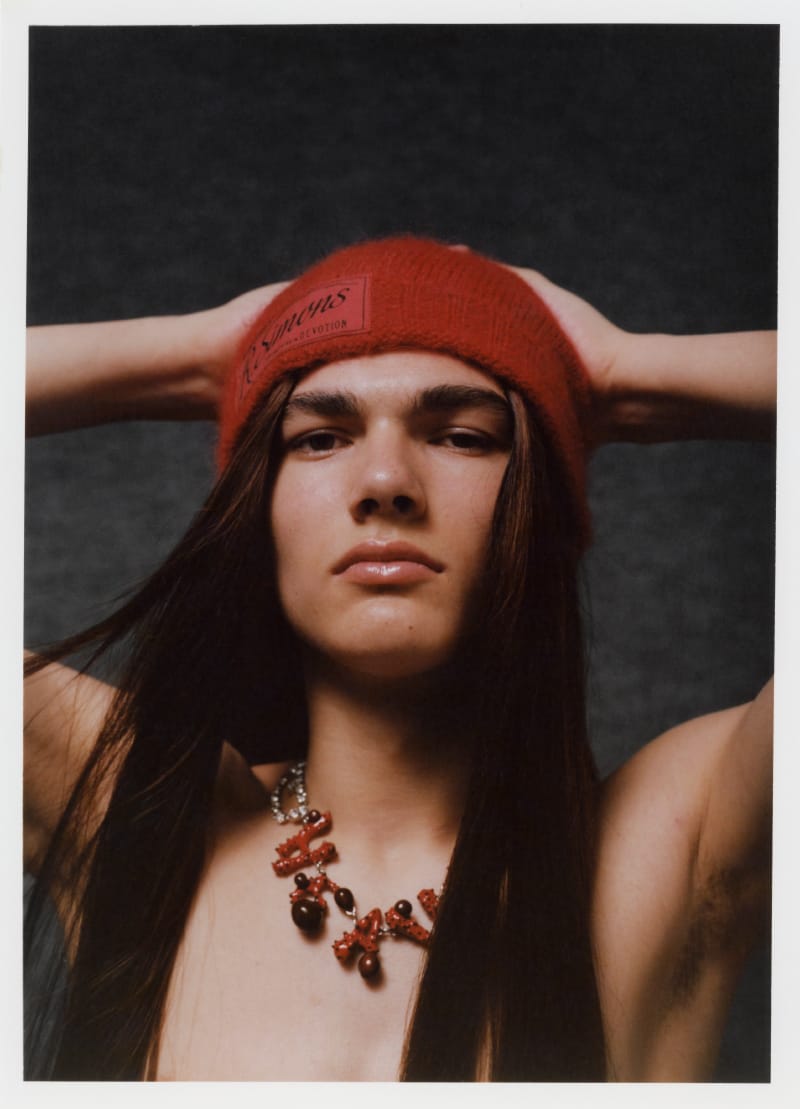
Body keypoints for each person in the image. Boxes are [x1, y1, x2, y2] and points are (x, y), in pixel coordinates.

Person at [23, 237, 774, 1082]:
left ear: (542, 508)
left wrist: (622, 373)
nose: (385, 479)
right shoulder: (139, 809)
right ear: (255, 510)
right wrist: (201, 356)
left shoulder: (669, 850)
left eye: (461, 435)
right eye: (319, 437)